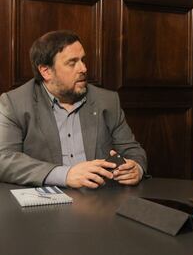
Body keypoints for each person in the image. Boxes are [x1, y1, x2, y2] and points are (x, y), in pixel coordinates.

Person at [0, 30, 147, 189]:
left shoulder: (107, 101)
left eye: (83, 60)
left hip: (101, 201)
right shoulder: (15, 103)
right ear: (46, 71)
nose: (83, 68)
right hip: (47, 204)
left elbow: (133, 151)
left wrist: (136, 168)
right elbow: (4, 159)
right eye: (72, 62)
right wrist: (65, 175)